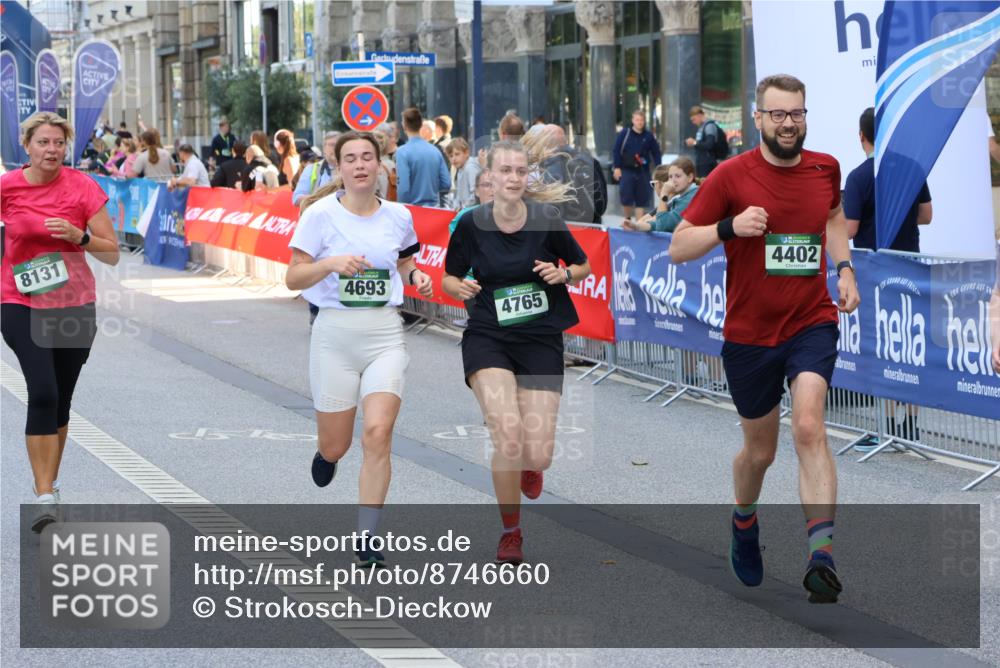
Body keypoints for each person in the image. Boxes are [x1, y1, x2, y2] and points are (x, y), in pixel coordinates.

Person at [669, 74, 860, 605]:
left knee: (808, 425)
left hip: (810, 322)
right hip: (750, 335)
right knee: (759, 453)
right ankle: (744, 520)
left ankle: (821, 556)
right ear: (757, 119)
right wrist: (729, 228)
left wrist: (844, 268)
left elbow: (833, 216)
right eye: (777, 115)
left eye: (796, 113)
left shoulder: (825, 167)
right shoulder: (730, 176)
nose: (788, 124)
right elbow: (679, 247)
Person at [285, 131, 433, 567]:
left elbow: (405, 263)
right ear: (340, 167)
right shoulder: (319, 216)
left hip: (384, 333)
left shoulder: (399, 216)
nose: (360, 165)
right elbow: (293, 278)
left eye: (367, 156)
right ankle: (326, 454)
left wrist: (415, 278)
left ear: (380, 163)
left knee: (378, 432)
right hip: (334, 335)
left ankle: (367, 536)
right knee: (338, 446)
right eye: (350, 158)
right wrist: (331, 263)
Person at [442, 140, 591, 564]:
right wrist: (462, 287)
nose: (512, 178)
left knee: (539, 451)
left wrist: (562, 274)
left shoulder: (546, 218)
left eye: (520, 171)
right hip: (488, 335)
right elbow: (450, 278)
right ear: (488, 175)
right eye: (504, 171)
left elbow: (583, 267)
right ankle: (511, 532)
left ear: (528, 176)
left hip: (540, 339)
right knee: (507, 434)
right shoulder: (472, 224)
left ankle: (531, 463)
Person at [1, 112, 120, 532]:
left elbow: (111, 252)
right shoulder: (7, 187)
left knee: (61, 401)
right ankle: (43, 496)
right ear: (27, 146)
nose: (51, 150)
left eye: (58, 143)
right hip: (19, 300)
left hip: (72, 304)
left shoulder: (82, 186)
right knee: (44, 392)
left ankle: (50, 484)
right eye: (43, 142)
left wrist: (79, 237)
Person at [843, 106, 931, 446]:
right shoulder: (912, 167)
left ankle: (883, 425)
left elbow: (849, 229)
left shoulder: (859, 176)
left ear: (861, 136)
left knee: (880, 345)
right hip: (910, 265)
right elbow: (926, 215)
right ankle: (911, 424)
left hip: (876, 271)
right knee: (910, 344)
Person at [624, 157, 699, 233]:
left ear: (690, 177)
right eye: (670, 177)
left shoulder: (691, 197)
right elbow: (657, 224)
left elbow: (662, 225)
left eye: (678, 176)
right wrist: (636, 226)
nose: (673, 180)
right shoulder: (684, 196)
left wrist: (664, 193)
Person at [394, 107, 451, 207]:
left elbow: (403, 189)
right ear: (421, 124)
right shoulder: (435, 151)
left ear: (404, 126)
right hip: (434, 209)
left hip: (412, 212)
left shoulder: (402, 152)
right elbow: (446, 183)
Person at [612, 109, 662, 220]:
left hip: (642, 172)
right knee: (626, 197)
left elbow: (656, 152)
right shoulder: (625, 133)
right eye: (637, 120)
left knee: (642, 199)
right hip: (627, 170)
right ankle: (627, 219)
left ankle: (639, 224)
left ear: (644, 121)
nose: (639, 122)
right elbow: (616, 150)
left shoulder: (648, 136)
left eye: (641, 120)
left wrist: (659, 168)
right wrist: (617, 167)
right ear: (633, 121)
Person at [293, 132, 340, 206]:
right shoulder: (311, 169)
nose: (336, 147)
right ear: (324, 148)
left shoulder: (351, 169)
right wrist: (321, 199)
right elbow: (296, 198)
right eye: (332, 145)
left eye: (339, 144)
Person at [685, 105, 727, 177]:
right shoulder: (702, 128)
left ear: (699, 116)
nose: (693, 122)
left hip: (708, 163)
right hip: (702, 162)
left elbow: (709, 144)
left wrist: (695, 142)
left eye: (694, 119)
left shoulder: (709, 126)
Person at [447, 138, 481, 210]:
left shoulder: (470, 168)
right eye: (451, 156)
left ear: (466, 153)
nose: (454, 159)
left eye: (457, 154)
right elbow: (459, 195)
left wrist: (463, 208)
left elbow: (475, 195)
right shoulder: (460, 169)